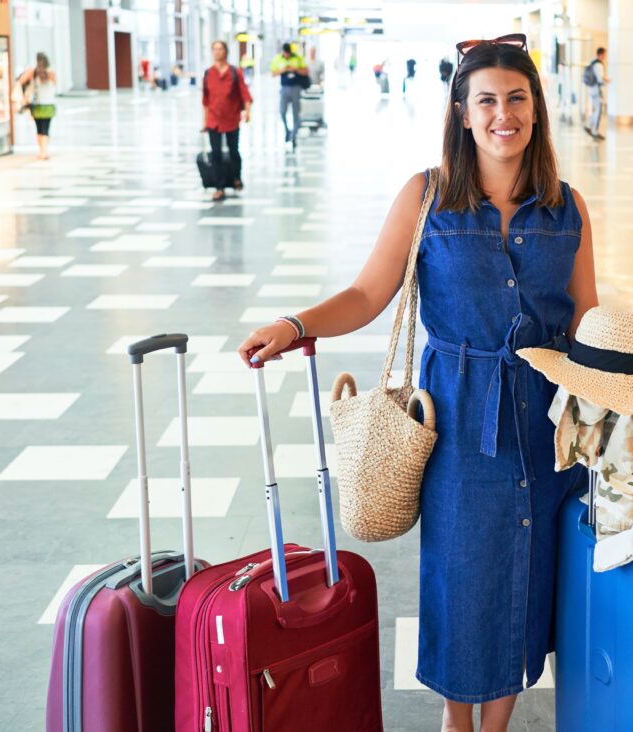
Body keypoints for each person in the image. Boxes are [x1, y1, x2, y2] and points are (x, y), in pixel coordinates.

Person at [238, 32, 598, 732]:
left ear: (536, 109)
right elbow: (368, 293)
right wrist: (296, 322)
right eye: (487, 100)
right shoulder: (427, 195)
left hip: (548, 417)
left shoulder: (569, 207)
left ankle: (494, 726)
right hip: (459, 415)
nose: (504, 114)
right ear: (462, 112)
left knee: (532, 569)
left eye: (517, 99)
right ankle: (455, 720)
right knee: (465, 575)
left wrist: (621, 392)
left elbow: (586, 316)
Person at [202, 40, 252, 201]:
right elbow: (206, 100)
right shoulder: (209, 73)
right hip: (213, 120)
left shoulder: (234, 72)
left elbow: (245, 94)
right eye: (214, 49)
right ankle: (219, 187)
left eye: (220, 49)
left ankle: (236, 177)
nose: (217, 52)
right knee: (215, 153)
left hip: (231, 118)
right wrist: (204, 122)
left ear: (226, 51)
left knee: (233, 151)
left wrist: (248, 112)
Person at [17, 53, 57, 160]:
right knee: (46, 129)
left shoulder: (33, 72)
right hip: (49, 105)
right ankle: (45, 151)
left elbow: (21, 81)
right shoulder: (51, 72)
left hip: (37, 106)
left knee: (39, 129)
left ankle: (41, 151)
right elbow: (55, 84)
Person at [270, 42, 308, 148]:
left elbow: (305, 72)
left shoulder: (298, 58)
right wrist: (283, 70)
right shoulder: (278, 59)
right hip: (284, 88)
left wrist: (295, 69)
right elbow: (273, 73)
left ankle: (293, 135)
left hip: (296, 88)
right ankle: (287, 131)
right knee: (282, 112)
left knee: (296, 113)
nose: (287, 55)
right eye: (285, 53)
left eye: (288, 53)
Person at [584, 47, 609, 141]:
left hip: (592, 89)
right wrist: (607, 80)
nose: (606, 56)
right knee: (599, 111)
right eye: (605, 54)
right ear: (601, 54)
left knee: (596, 110)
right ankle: (594, 130)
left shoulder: (593, 62)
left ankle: (588, 125)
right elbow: (600, 79)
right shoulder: (599, 65)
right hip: (597, 90)